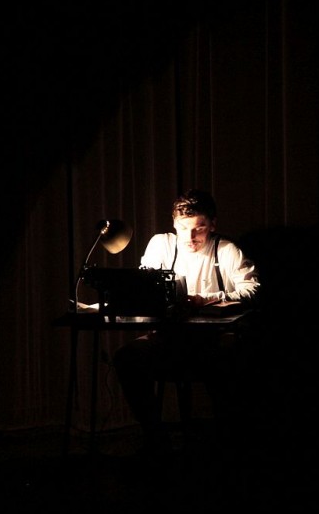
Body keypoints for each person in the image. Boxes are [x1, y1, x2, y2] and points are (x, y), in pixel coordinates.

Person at [112, 188, 261, 457]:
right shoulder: (162, 245)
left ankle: (227, 444)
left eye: (199, 228)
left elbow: (252, 289)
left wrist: (207, 299)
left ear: (212, 225)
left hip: (214, 339)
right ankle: (156, 438)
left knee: (227, 363)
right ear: (174, 224)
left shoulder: (225, 250)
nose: (190, 237)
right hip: (168, 337)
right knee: (127, 358)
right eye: (183, 228)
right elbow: (144, 284)